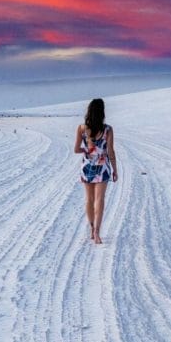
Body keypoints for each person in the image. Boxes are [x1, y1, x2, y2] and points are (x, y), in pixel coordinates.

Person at [73, 98, 118, 244]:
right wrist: (115, 170)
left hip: (87, 167)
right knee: (100, 199)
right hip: (103, 166)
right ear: (102, 112)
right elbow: (110, 151)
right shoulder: (108, 129)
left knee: (89, 199)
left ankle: (91, 228)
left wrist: (88, 149)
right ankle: (97, 231)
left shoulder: (81, 128)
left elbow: (76, 149)